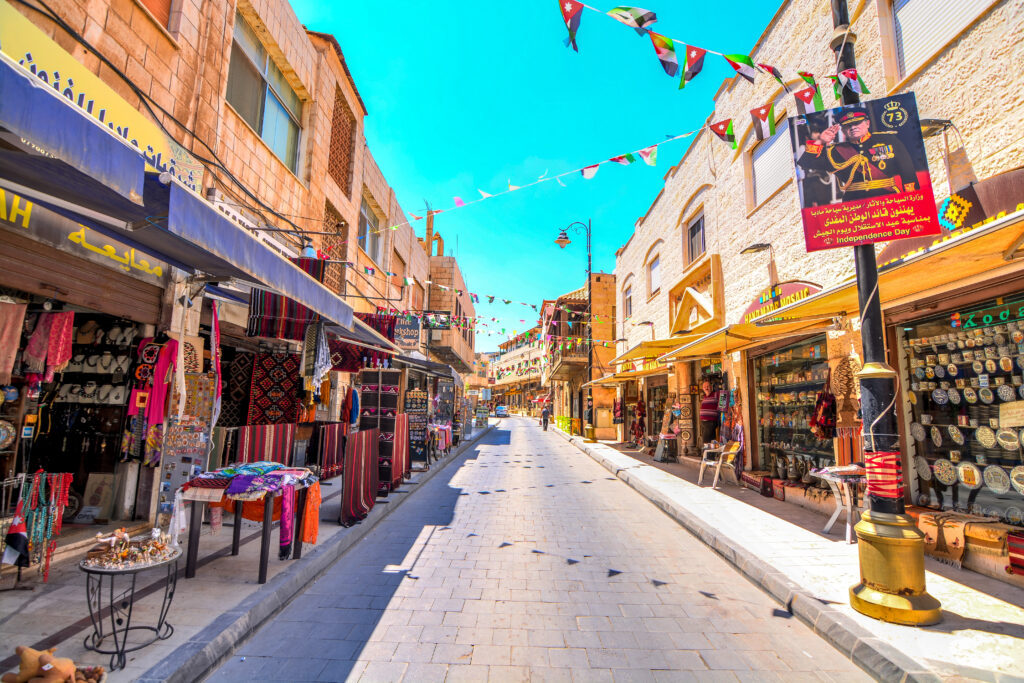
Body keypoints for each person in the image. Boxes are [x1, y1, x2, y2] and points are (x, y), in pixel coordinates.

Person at [796, 108, 917, 203]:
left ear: (868, 123)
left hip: (888, 198)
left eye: (857, 123)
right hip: (855, 205)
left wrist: (911, 199)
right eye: (848, 125)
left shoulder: (888, 140)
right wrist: (821, 141)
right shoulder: (836, 151)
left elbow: (907, 171)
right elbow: (805, 162)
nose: (853, 127)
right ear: (843, 130)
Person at [699, 379, 720, 445]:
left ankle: (707, 454)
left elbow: (724, 395)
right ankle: (711, 454)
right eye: (704, 387)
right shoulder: (704, 397)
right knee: (711, 441)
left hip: (710, 422)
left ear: (711, 387)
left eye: (708, 386)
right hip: (704, 422)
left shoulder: (716, 394)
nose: (706, 388)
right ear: (703, 388)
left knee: (706, 441)